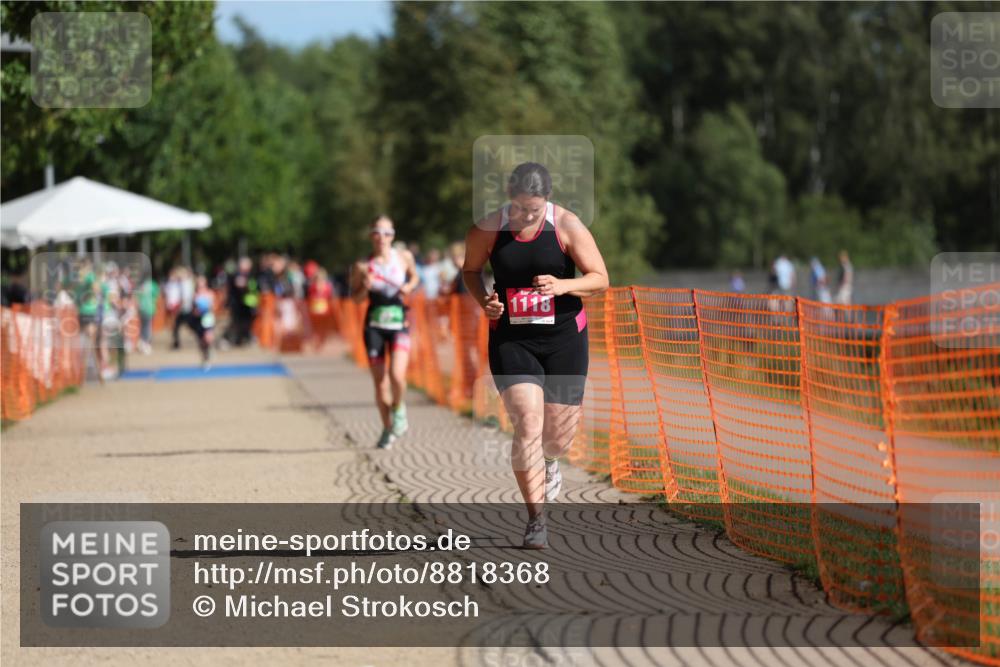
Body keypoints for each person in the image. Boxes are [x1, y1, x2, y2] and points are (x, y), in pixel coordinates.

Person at [461, 162, 609, 549]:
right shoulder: (488, 229)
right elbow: (471, 270)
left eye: (535, 209)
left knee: (557, 439)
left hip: (564, 339)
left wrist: (563, 285)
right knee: (528, 422)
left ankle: (549, 462)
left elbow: (599, 278)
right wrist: (485, 303)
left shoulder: (566, 225)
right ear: (509, 197)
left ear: (548, 199)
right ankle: (536, 519)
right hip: (513, 339)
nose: (528, 216)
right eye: (522, 208)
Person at [350, 215, 420, 449]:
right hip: (374, 327)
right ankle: (387, 428)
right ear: (371, 235)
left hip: (399, 323)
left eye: (387, 233)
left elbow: (414, 276)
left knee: (397, 376)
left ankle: (399, 411)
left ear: (393, 235)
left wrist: (408, 286)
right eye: (377, 232)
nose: (382, 237)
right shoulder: (362, 265)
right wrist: (365, 287)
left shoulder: (403, 257)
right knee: (380, 384)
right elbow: (356, 299)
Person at [192, 275, 216, 369]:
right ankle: (204, 358)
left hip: (207, 319)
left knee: (208, 338)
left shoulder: (210, 293)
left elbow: (213, 307)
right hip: (198, 320)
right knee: (201, 341)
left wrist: (206, 308)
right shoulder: (195, 295)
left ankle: (210, 352)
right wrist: (196, 311)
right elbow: (193, 310)